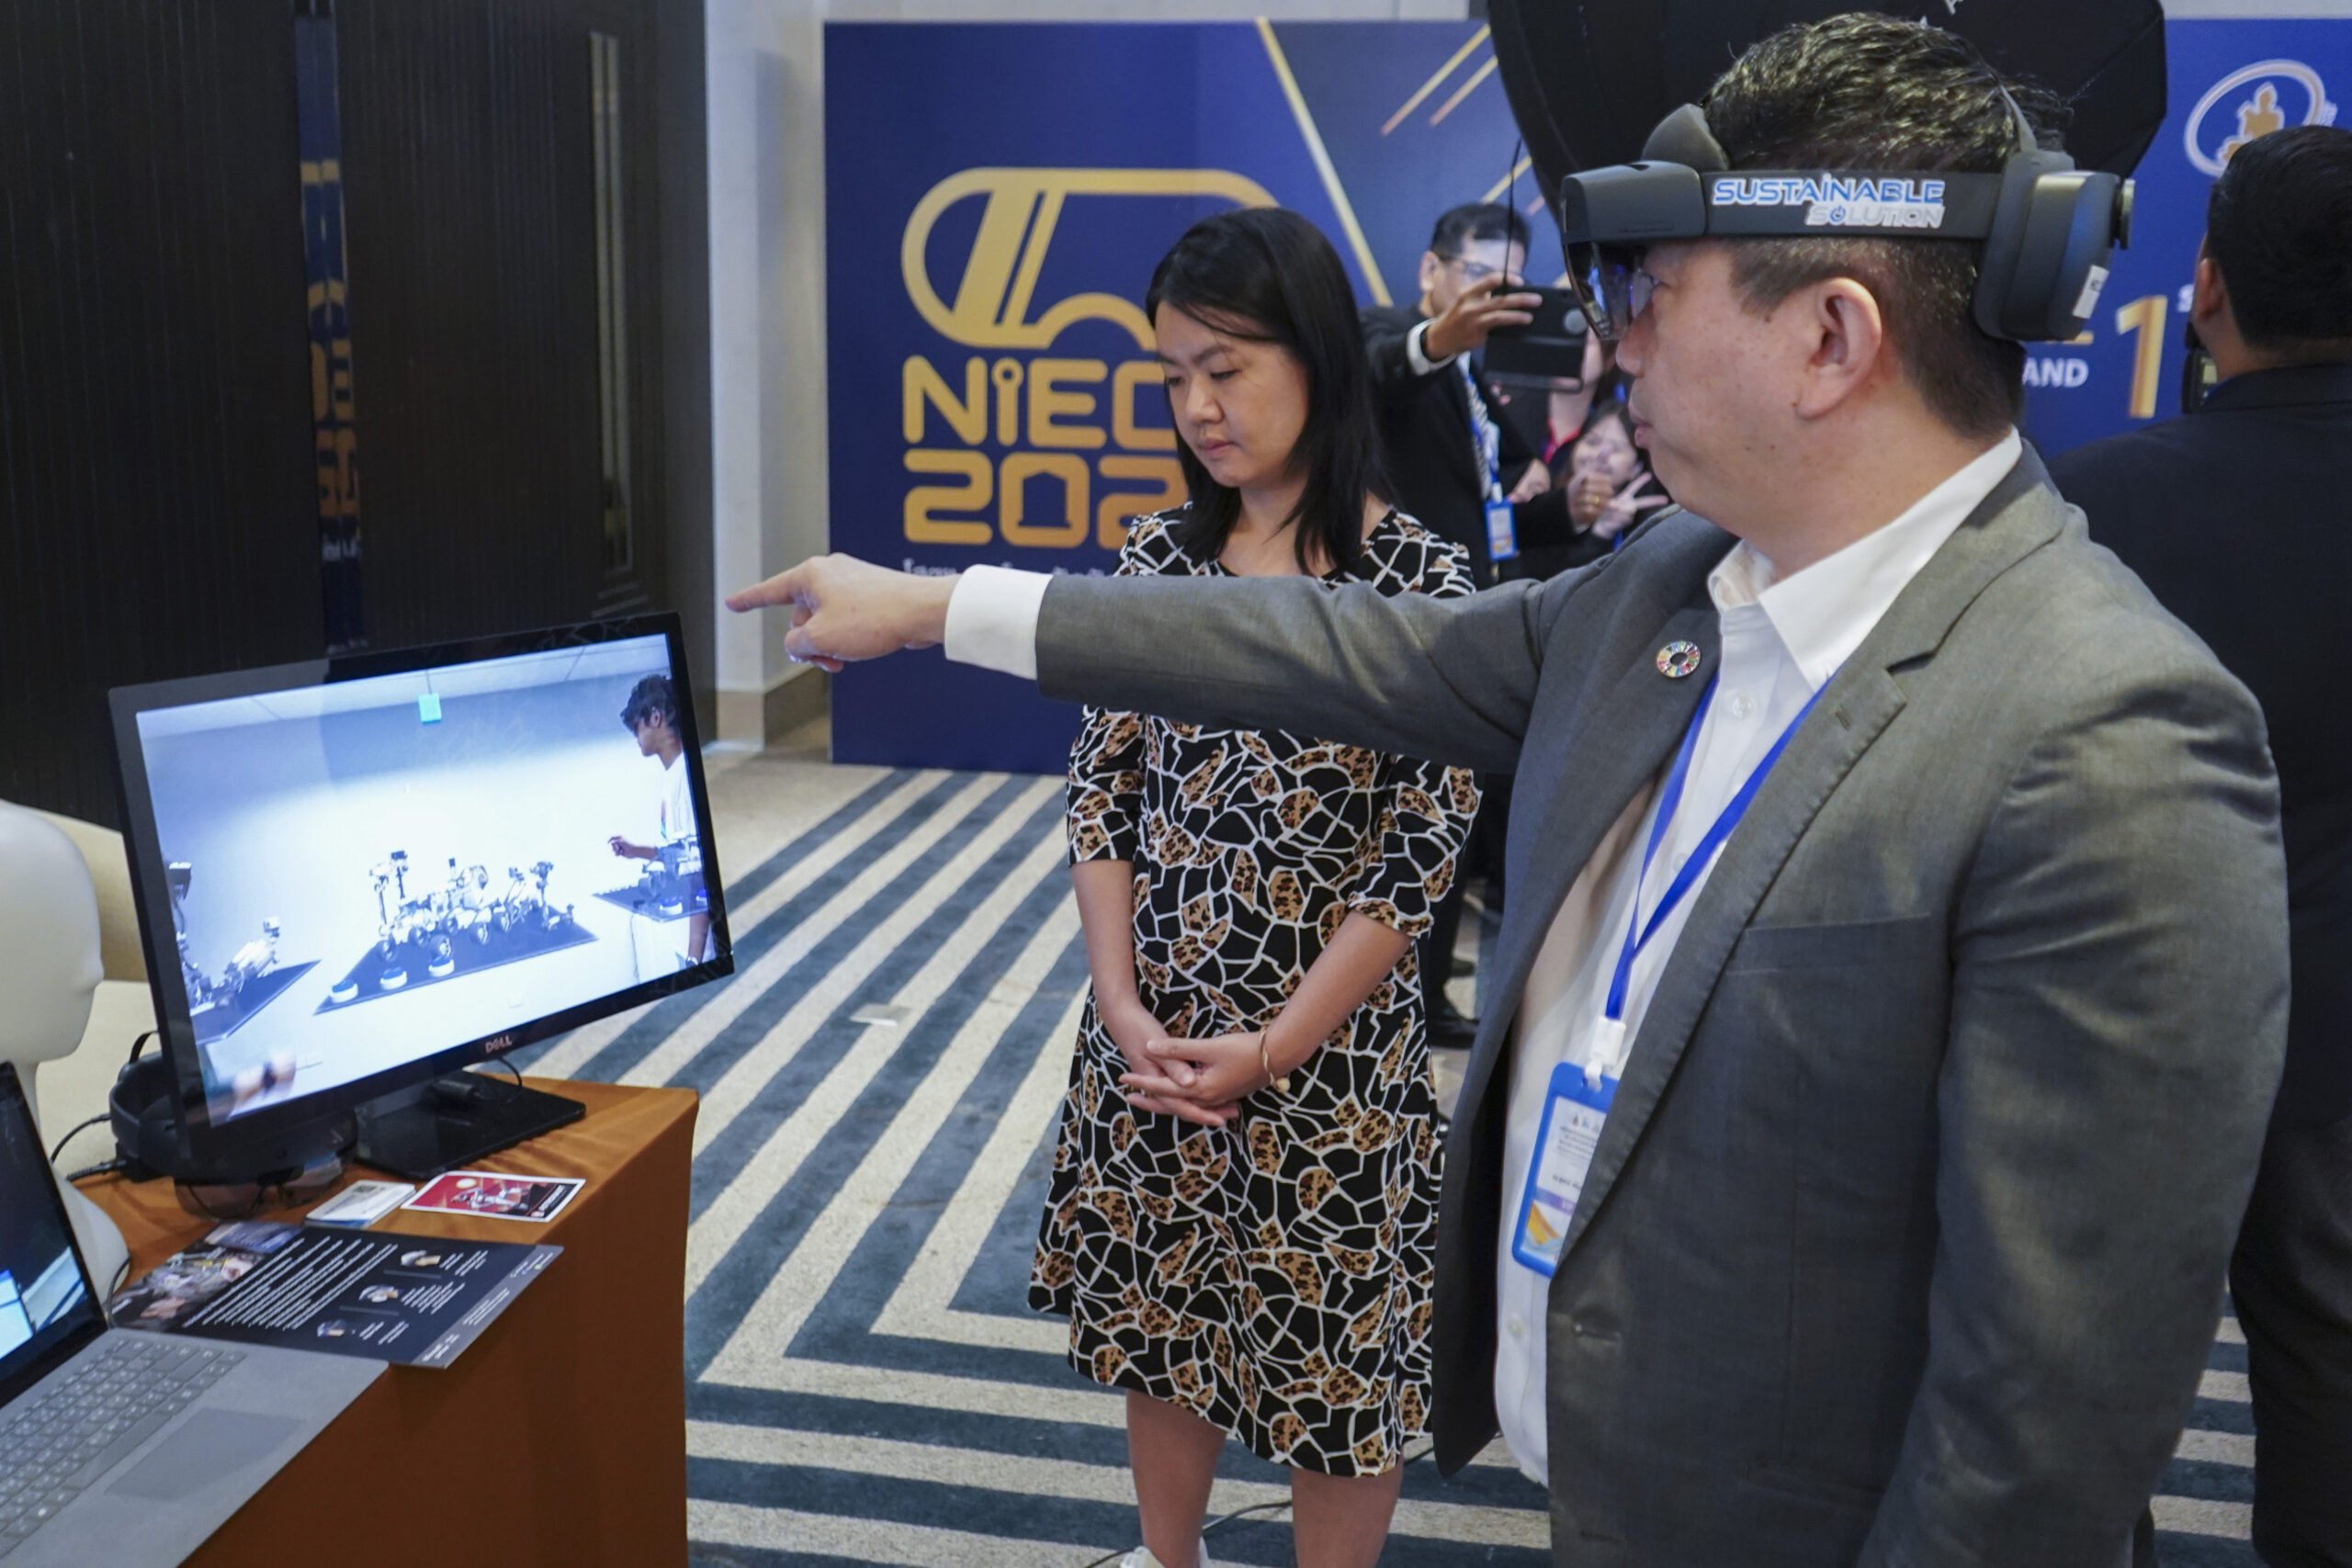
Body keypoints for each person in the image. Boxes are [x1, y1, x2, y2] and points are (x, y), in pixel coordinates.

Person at [731, 17, 2290, 1565]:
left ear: (1830, 338)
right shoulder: (1672, 584)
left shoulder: (2108, 743)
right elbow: (1329, 644)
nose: (1617, 345)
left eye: (1648, 292)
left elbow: (2035, 1441)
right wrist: (939, 606)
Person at [1035, 208, 1475, 1568]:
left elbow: (1419, 856)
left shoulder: (1422, 582)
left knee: (1339, 1382)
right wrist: (1120, 1005)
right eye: (1175, 375)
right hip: (1156, 1040)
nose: (1198, 408)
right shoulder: (1160, 561)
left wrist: (1277, 1045)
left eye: (1225, 367)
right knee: (1161, 1333)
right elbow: (1103, 788)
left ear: (1318, 355)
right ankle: (1171, 1558)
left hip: (1329, 1062)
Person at [2049, 122, 2352, 1567]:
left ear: (2208, 285)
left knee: (2077, 1368)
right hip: (2343, 1047)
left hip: (2118, 1023)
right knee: (2333, 1363)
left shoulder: (2094, 501)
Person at [1363, 203, 1545, 1052]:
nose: (1492, 296)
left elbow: (1507, 482)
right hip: (1408, 627)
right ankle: (1408, 999)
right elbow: (1376, 371)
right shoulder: (1389, 335)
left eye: (1511, 281)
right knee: (1414, 823)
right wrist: (1438, 339)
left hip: (1478, 619)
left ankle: (1426, 984)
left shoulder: (1476, 376)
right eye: (1478, 275)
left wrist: (1570, 498)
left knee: (1452, 821)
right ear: (1431, 271)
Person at [606, 674, 709, 964]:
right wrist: (636, 851)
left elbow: (699, 874)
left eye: (636, 727)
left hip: (698, 948)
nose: (635, 737)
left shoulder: (684, 779)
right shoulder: (672, 777)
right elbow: (681, 853)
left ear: (655, 718)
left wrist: (694, 959)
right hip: (682, 938)